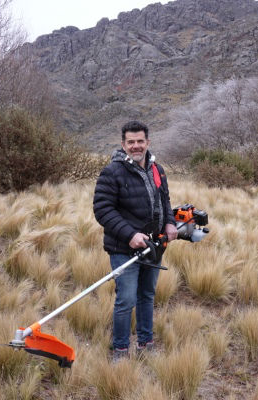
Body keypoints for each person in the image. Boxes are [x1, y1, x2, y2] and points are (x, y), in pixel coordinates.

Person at [93, 120, 178, 360]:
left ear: (147, 142)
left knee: (147, 295)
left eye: (140, 141)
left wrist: (170, 222)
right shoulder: (112, 172)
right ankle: (120, 350)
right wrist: (130, 235)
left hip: (154, 246)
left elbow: (165, 201)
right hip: (123, 248)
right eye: (131, 142)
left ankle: (145, 343)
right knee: (126, 299)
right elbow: (103, 210)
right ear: (123, 144)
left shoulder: (157, 169)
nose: (136, 146)